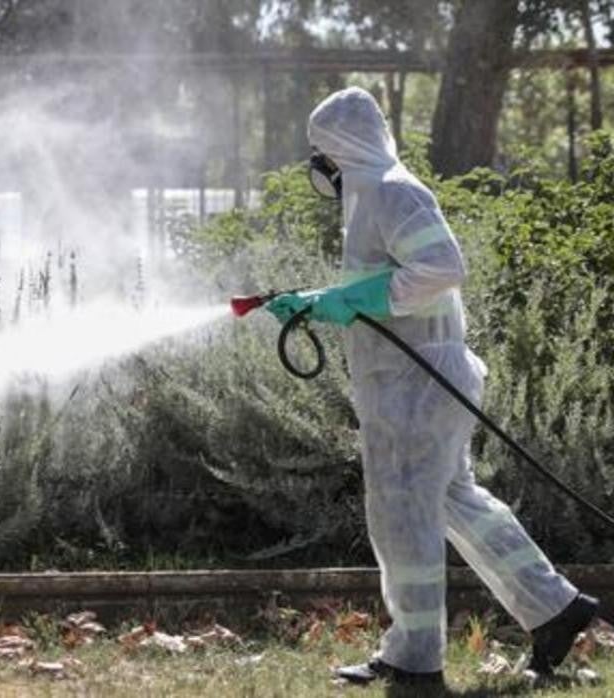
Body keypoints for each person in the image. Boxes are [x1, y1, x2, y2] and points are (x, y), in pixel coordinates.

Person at [266, 87, 600, 687]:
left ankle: (414, 662)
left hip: (416, 384)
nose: (321, 168)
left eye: (323, 153)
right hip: (414, 380)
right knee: (452, 499)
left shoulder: (393, 191)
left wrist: (353, 299)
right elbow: (391, 279)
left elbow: (444, 268)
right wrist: (324, 302)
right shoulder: (372, 196)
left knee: (402, 514)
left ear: (344, 146)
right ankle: (555, 609)